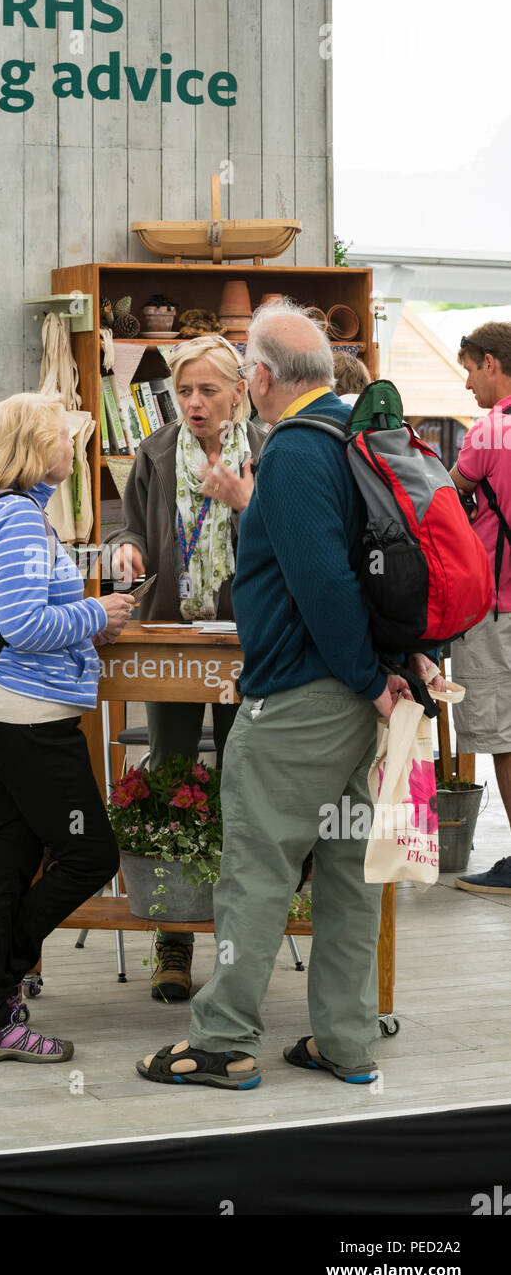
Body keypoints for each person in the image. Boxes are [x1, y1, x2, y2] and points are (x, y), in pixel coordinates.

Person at [136, 298, 442, 1090]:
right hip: (364, 700)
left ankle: (222, 1039)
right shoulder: (355, 435)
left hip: (306, 699)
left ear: (260, 377)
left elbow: (324, 586)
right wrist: (390, 674)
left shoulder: (298, 451)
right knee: (347, 871)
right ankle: (345, 1042)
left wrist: (370, 681)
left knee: (256, 868)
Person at [0, 392, 134, 1064]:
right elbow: (25, 626)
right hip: (30, 716)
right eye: (64, 437)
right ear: (35, 448)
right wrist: (99, 613)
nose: (74, 447)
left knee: (9, 862)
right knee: (90, 856)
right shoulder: (23, 522)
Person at [107, 334, 263, 1001]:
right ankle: (174, 941)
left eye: (206, 391)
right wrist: (127, 553)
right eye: (184, 391)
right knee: (172, 779)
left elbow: (298, 538)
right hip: (171, 641)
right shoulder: (157, 449)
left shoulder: (271, 451)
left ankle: (241, 935)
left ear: (239, 391)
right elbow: (132, 528)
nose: (193, 404)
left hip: (252, 644)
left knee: (242, 780)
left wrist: (243, 501)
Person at [449, 324, 511, 895]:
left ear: (492, 363)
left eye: (469, 369)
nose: (467, 383)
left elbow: (448, 500)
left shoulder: (490, 432)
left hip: (497, 609)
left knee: (502, 737)